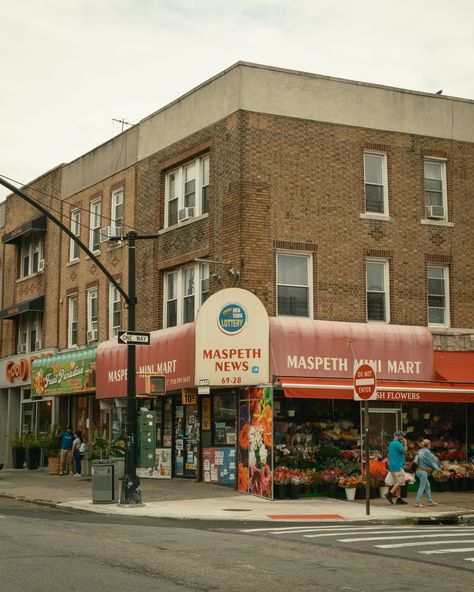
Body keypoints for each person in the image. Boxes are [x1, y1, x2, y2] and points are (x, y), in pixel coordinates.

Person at [414, 439, 441, 507]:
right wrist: (438, 470)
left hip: (418, 471)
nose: (430, 445)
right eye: (430, 444)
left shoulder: (420, 451)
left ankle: (430, 501)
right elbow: (432, 462)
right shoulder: (427, 452)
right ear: (428, 445)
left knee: (427, 486)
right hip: (423, 472)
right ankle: (417, 502)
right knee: (422, 487)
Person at [385, 430, 408, 505]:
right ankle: (390, 494)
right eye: (401, 436)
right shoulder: (397, 443)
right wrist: (405, 443)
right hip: (398, 465)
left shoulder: (392, 443)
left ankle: (398, 498)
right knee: (400, 482)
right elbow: (405, 451)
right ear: (397, 436)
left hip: (392, 465)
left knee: (397, 483)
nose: (402, 438)